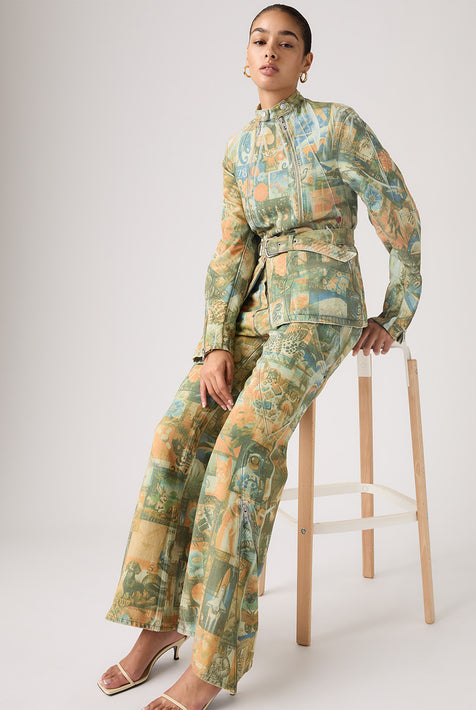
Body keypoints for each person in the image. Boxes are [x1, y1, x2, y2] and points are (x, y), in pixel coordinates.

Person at [97, 4, 422, 709]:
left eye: (287, 42)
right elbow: (231, 249)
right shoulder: (238, 149)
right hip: (252, 313)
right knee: (174, 435)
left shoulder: (336, 125)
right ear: (245, 58)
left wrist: (395, 313)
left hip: (320, 308)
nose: (271, 51)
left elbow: (397, 210)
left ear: (306, 62)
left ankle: (214, 661)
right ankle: (161, 621)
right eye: (259, 40)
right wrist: (214, 342)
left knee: (240, 451)